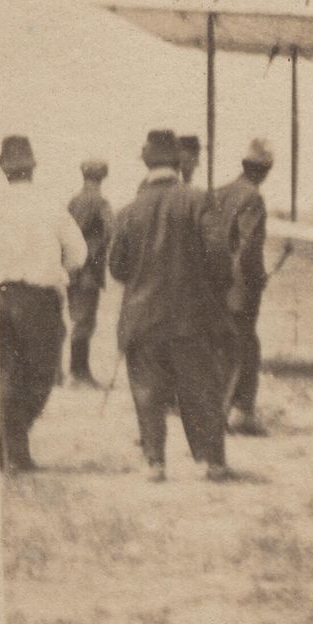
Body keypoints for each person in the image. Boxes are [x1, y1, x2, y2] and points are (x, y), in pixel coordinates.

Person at [106, 128, 232, 482]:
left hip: (141, 318)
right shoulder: (198, 200)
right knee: (200, 389)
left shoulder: (128, 211)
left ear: (146, 163)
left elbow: (116, 268)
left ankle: (155, 463)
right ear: (178, 162)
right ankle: (213, 462)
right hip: (190, 318)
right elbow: (219, 256)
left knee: (147, 391)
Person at [0, 135, 89, 473]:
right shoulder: (50, 205)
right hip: (37, 301)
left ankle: (8, 446)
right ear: (33, 167)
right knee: (40, 375)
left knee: (5, 374)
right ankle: (15, 447)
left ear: (2, 168)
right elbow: (78, 255)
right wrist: (57, 267)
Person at [204, 138, 275, 437]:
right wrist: (257, 278)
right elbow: (248, 248)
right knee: (244, 347)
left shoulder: (219, 193)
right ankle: (237, 413)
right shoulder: (252, 198)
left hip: (214, 285)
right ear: (265, 170)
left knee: (221, 347)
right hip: (239, 288)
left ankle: (222, 410)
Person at [64, 158, 112, 385]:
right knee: (85, 321)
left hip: (71, 270)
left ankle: (74, 371)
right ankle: (79, 372)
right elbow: (111, 230)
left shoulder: (73, 201)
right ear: (102, 177)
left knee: (76, 319)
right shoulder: (100, 202)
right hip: (90, 270)